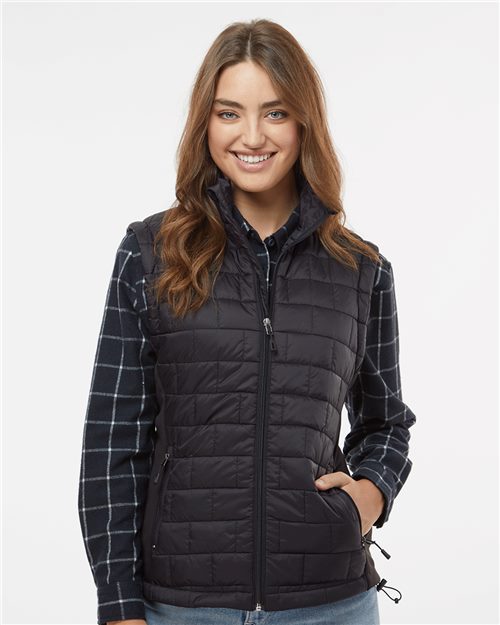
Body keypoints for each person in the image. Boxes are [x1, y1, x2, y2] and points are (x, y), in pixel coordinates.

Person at [78, 18, 416, 625]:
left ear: (304, 121)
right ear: (205, 123)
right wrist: (119, 606)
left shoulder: (360, 269)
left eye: (275, 112)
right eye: (229, 113)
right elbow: (112, 444)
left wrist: (370, 495)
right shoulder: (150, 253)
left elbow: (386, 422)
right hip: (183, 606)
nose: (252, 135)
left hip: (331, 602)